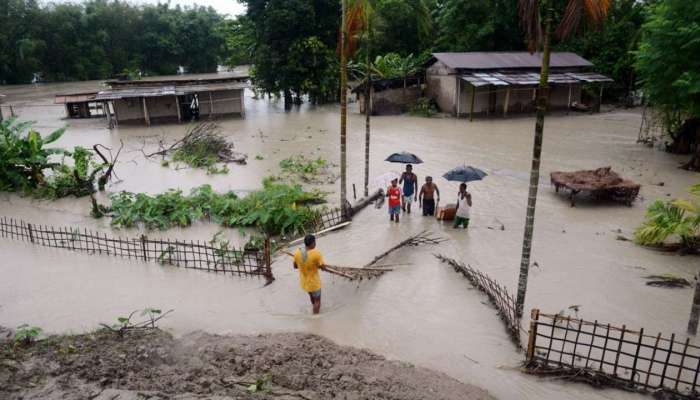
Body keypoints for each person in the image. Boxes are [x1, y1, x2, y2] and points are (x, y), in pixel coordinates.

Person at [293, 234, 326, 314]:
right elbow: (323, 267)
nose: (315, 244)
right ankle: (316, 318)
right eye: (315, 242)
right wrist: (320, 266)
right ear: (312, 243)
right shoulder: (316, 254)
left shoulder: (297, 252)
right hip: (314, 283)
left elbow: (295, 266)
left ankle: (314, 309)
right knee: (317, 301)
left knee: (312, 297)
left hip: (305, 282)